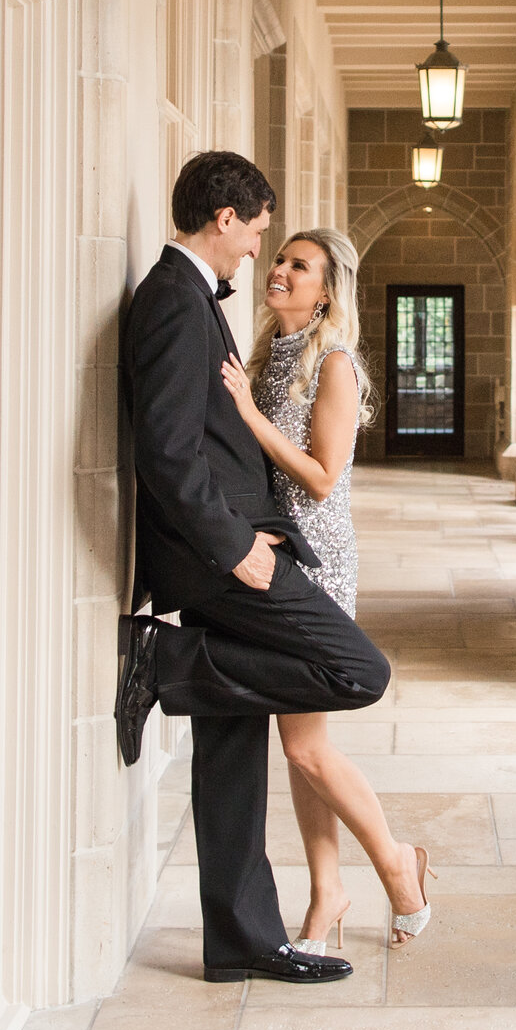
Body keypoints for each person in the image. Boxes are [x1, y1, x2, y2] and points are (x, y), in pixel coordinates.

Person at [114, 152, 393, 985]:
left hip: (246, 544)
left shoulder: (200, 300)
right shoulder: (171, 298)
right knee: (356, 668)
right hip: (220, 556)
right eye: (260, 233)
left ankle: (242, 937)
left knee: (230, 754)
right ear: (226, 217)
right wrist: (233, 544)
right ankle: (164, 662)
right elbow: (166, 451)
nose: (260, 253)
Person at [221, 228, 435, 951]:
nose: (278, 269)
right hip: (279, 561)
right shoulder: (265, 353)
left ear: (326, 291)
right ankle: (328, 891)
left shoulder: (333, 363)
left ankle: (396, 864)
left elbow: (320, 475)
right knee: (300, 741)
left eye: (298, 265)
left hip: (319, 569)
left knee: (307, 746)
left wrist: (249, 416)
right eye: (278, 257)